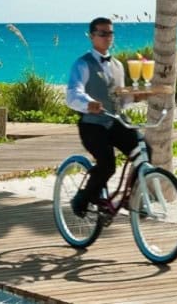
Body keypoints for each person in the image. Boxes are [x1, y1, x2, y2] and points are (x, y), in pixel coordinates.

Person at [65, 17, 151, 217]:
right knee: (107, 165)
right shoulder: (82, 64)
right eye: (102, 33)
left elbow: (118, 100)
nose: (107, 37)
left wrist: (135, 97)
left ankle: (131, 198)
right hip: (92, 125)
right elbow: (72, 94)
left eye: (110, 33)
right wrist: (88, 104)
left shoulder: (118, 66)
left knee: (145, 151)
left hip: (116, 121)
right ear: (92, 36)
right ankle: (83, 198)